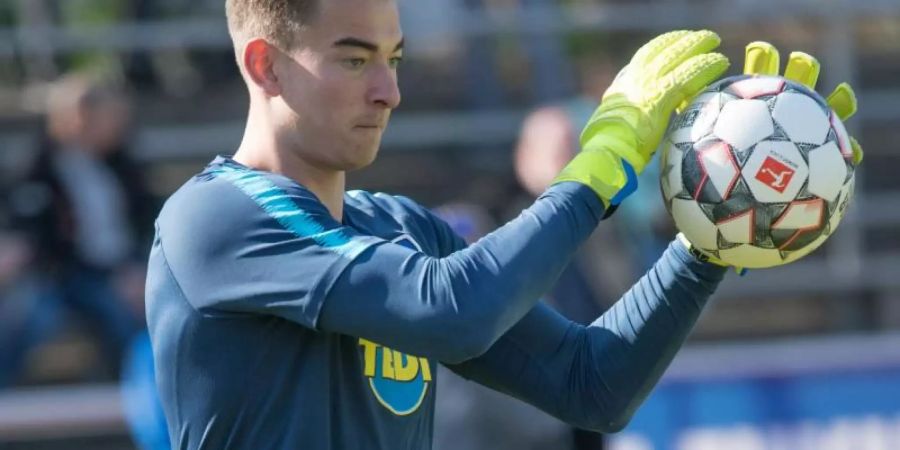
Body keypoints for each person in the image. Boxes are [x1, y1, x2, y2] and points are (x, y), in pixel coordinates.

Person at [146, 1, 863, 449]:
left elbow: (592, 385)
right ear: (265, 66)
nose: (389, 90)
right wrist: (603, 161)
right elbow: (454, 312)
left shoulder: (402, 229)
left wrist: (714, 232)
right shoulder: (216, 217)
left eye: (393, 59)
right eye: (355, 58)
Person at [0, 74, 154, 385]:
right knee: (27, 314)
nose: (118, 125)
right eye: (109, 116)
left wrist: (133, 268)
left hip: (117, 271)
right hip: (59, 274)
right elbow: (33, 234)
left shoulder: (123, 167)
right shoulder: (38, 167)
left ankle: (139, 398)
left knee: (138, 315)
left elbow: (143, 223)